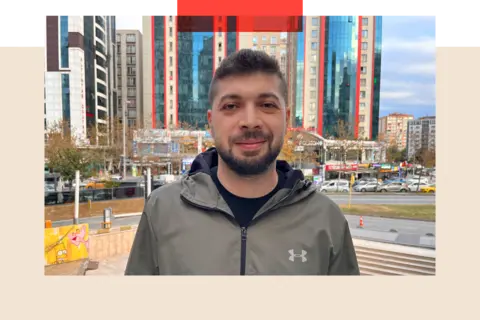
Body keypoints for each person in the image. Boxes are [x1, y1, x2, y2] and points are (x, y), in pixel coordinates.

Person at [125, 49, 359, 276]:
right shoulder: (162, 211)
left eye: (267, 105)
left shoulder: (326, 220)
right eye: (231, 106)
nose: (250, 122)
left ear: (286, 118)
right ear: (210, 121)